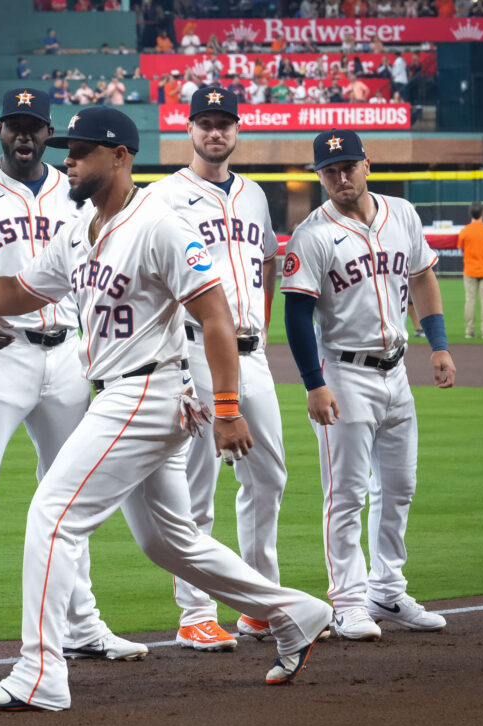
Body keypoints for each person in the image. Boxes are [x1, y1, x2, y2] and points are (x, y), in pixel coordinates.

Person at [0, 107, 333, 711]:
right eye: (68, 148)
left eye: (83, 149)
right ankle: (297, 612)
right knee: (169, 542)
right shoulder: (80, 228)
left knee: (52, 515)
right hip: (126, 389)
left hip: (146, 392)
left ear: (120, 156)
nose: (68, 157)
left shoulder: (161, 224)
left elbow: (216, 316)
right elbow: (19, 290)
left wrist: (227, 407)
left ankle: (40, 671)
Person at [0, 90, 147, 679]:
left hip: (66, 354)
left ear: (49, 134)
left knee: (70, 494)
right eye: (15, 126)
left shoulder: (76, 189)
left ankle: (81, 624)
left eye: (35, 127)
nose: (25, 136)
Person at [281, 129, 455, 642]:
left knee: (399, 487)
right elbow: (295, 315)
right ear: (319, 176)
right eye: (329, 171)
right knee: (348, 493)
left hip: (397, 370)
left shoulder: (401, 213)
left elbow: (423, 275)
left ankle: (387, 588)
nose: (340, 177)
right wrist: (314, 383)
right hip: (344, 372)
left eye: (348, 166)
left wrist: (438, 344)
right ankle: (349, 601)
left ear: (367, 165)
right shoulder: (313, 234)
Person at [149, 87, 289, 650]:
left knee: (268, 478)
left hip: (250, 353)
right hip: (190, 350)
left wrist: (262, 324)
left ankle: (259, 604)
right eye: (205, 123)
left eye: (224, 123)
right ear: (189, 130)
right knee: (196, 486)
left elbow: (270, 264)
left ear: (237, 130)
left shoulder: (254, 196)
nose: (215, 132)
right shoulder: (161, 197)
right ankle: (195, 611)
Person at [458, 201, 483, 339]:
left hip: (470, 270)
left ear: (470, 214)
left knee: (470, 300)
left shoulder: (465, 231)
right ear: (482, 214)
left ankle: (469, 331)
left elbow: (461, 246)